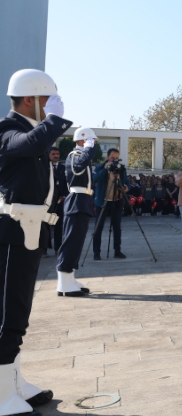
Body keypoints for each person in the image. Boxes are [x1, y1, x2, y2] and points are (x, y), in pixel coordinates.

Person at [0, 68, 71, 416]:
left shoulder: (31, 132)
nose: (50, 107)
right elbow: (26, 146)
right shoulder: (7, 130)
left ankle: (12, 383)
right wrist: (55, 120)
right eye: (46, 101)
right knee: (6, 315)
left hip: (27, 232)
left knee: (18, 314)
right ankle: (0, 398)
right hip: (12, 232)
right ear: (31, 99)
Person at [56, 126, 97, 298]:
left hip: (83, 200)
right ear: (82, 140)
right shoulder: (75, 156)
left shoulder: (81, 156)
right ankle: (64, 283)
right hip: (76, 200)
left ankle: (70, 279)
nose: (93, 144)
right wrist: (88, 149)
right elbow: (78, 169)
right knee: (71, 241)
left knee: (77, 241)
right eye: (91, 140)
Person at [92, 149, 129, 260]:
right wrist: (105, 169)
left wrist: (126, 188)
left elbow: (126, 181)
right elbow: (95, 179)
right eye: (112, 158)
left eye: (116, 158)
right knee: (98, 227)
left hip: (116, 201)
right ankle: (96, 252)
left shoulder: (121, 169)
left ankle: (117, 250)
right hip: (102, 201)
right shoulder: (100, 167)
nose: (114, 160)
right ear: (107, 157)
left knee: (117, 227)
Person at [43, 147, 66, 257]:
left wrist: (64, 196)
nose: (56, 156)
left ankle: (58, 248)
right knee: (44, 227)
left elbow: (67, 184)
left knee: (58, 227)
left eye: (57, 154)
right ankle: (43, 249)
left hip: (59, 202)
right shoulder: (43, 167)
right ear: (48, 155)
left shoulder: (63, 168)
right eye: (53, 154)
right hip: (45, 202)